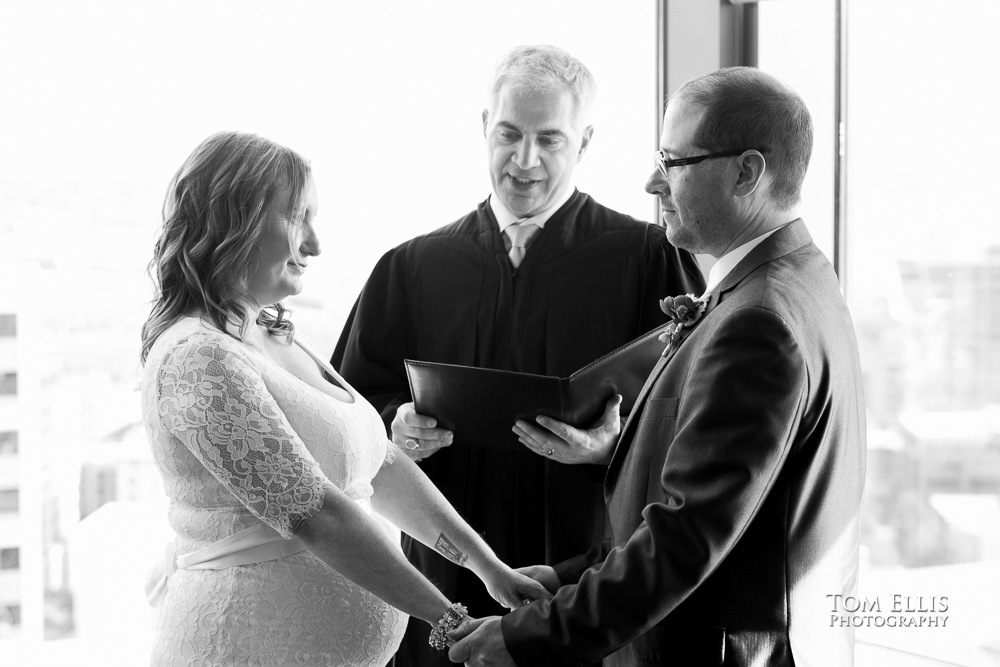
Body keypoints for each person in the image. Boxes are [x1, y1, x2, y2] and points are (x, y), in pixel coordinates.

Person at [449, 67, 867, 666]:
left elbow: (686, 539)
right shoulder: (798, 281)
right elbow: (707, 504)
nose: (651, 183)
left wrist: (528, 638)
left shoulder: (760, 324)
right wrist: (566, 579)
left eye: (673, 163)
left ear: (747, 172)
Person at [331, 45, 704, 666]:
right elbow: (344, 416)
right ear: (484, 128)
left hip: (585, 578)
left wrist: (611, 448)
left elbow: (693, 426)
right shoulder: (410, 268)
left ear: (583, 142)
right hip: (443, 579)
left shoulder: (647, 262)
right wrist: (395, 423)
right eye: (508, 134)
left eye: (549, 140)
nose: (524, 160)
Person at [139, 131, 551, 666]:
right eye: (296, 217)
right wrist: (453, 622)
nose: (314, 244)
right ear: (232, 220)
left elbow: (379, 463)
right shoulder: (197, 357)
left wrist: (488, 568)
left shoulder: (275, 334)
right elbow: (318, 515)